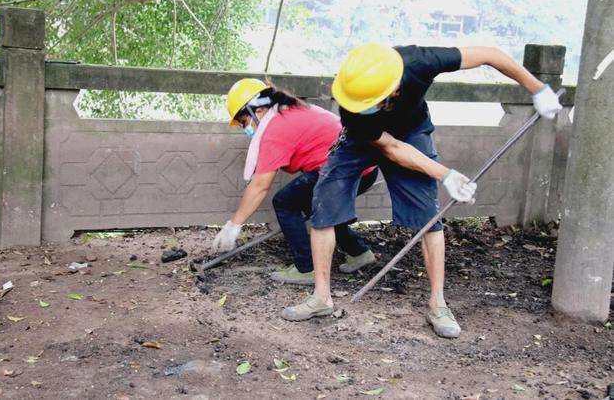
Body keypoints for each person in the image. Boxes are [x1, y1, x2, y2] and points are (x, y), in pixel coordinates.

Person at [281, 44, 563, 338]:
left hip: (412, 130)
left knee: (429, 216)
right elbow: (389, 147)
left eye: (374, 101)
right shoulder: (353, 104)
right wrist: (445, 174)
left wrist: (538, 88)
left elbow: (489, 55)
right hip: (364, 140)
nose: (366, 106)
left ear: (394, 87)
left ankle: (438, 304)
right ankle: (321, 297)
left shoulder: (418, 63)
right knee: (324, 204)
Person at [212, 78, 379, 284]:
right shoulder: (290, 110)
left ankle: (306, 268)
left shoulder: (275, 128)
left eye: (243, 121)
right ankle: (359, 253)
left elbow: (260, 186)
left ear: (259, 109)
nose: (244, 128)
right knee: (321, 207)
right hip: (363, 167)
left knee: (285, 202)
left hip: (347, 171)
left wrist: (233, 226)